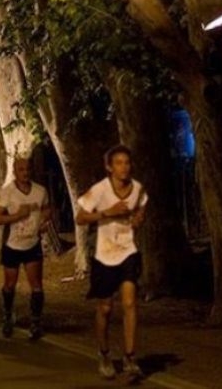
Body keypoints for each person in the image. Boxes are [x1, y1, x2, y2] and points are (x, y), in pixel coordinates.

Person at [76, 145, 148, 381]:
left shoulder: (137, 188)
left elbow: (141, 208)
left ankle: (130, 357)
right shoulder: (100, 190)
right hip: (104, 256)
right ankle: (104, 354)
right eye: (118, 163)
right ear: (109, 167)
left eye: (127, 162)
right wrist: (106, 213)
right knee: (105, 308)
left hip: (128, 251)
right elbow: (80, 217)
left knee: (129, 303)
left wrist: (137, 219)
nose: (124, 167)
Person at [0, 156, 51, 340]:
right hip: (12, 245)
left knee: (37, 286)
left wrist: (44, 220)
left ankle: (36, 322)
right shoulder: (7, 193)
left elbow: (47, 208)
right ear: (15, 172)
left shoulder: (40, 191)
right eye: (21, 170)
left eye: (28, 169)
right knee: (10, 284)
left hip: (32, 243)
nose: (25, 173)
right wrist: (16, 216)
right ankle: (8, 316)